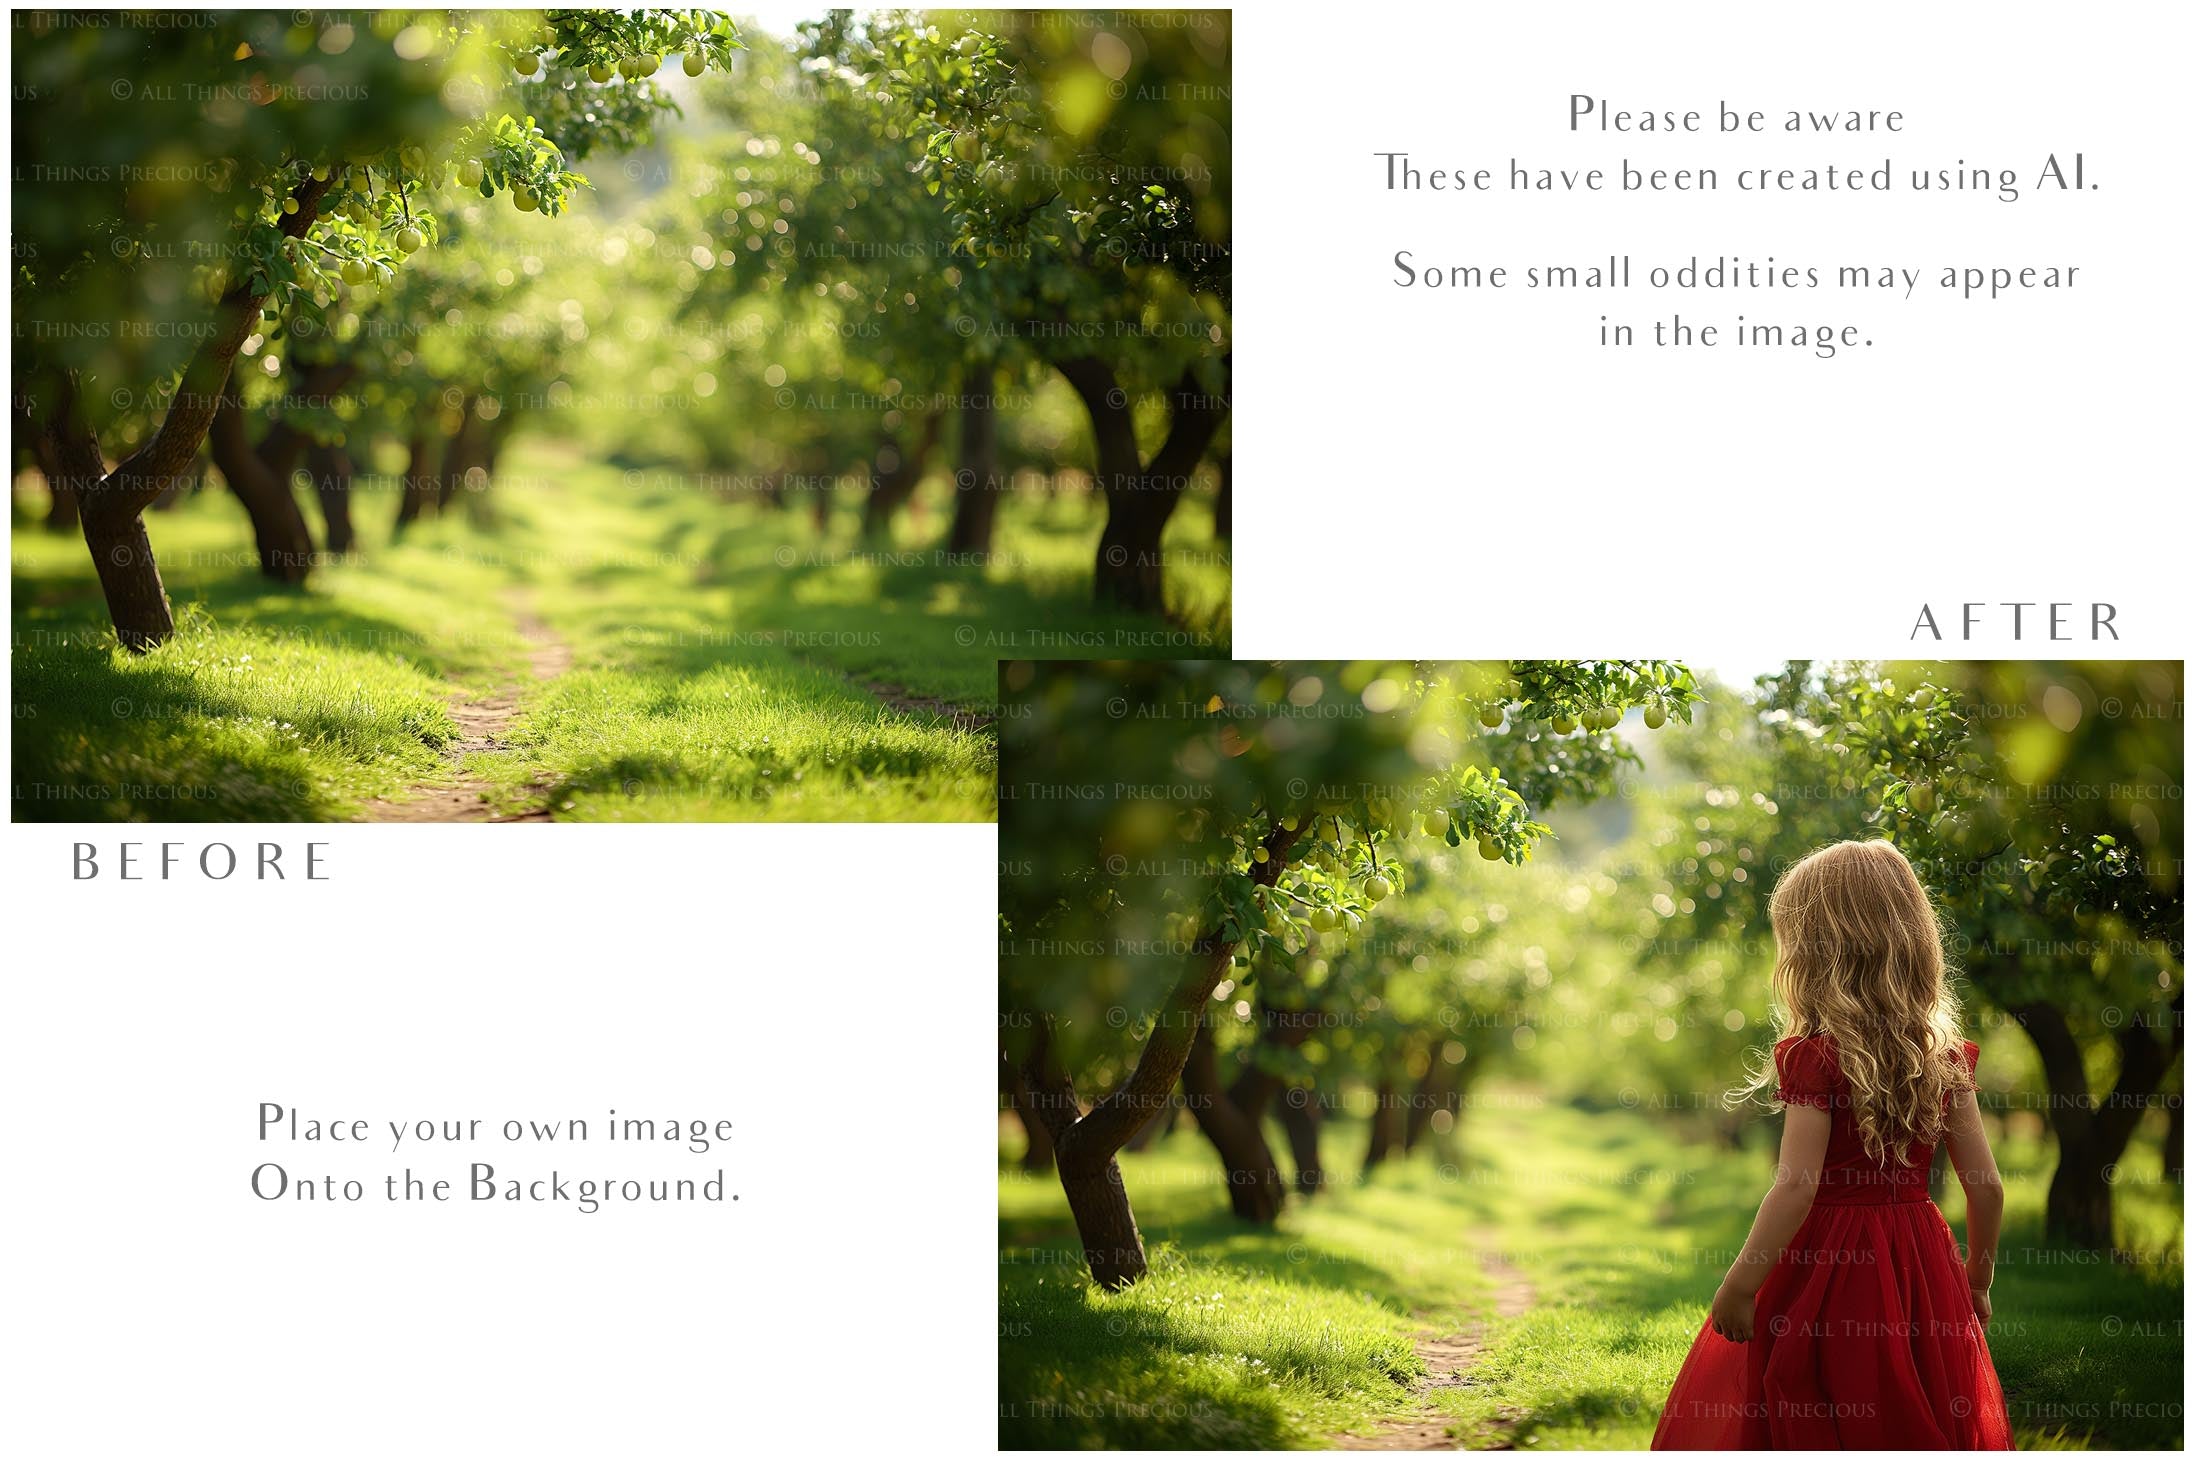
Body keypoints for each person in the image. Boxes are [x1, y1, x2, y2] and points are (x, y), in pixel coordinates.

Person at [1651, 839, 2012, 1449]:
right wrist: (1976, 1277)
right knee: (1914, 1400)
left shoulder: (1815, 1057)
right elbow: (1988, 1188)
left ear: (1817, 953)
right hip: (1920, 1261)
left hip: (1829, 1262)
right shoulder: (1946, 1058)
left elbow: (1796, 1186)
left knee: (1814, 1393)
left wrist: (1739, 1286)